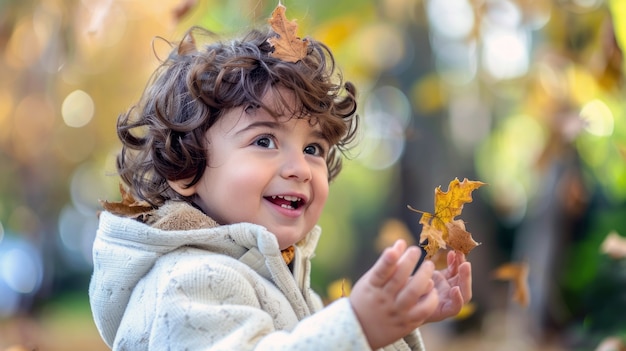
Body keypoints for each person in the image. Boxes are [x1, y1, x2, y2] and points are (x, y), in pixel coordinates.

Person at [89, 11, 472, 350]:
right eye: (264, 141)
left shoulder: (280, 278)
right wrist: (356, 327)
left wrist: (397, 320)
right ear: (187, 169)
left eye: (313, 149)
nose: (300, 169)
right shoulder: (190, 280)